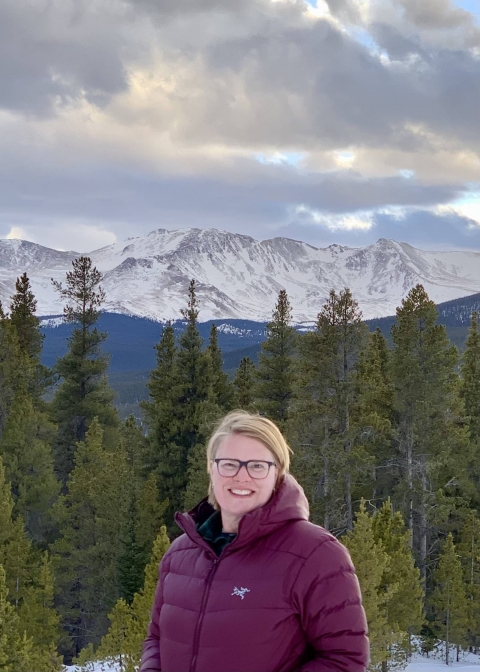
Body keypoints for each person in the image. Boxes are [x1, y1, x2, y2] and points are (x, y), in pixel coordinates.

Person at [141, 411, 369, 672]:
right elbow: (157, 639)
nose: (241, 476)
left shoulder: (315, 554)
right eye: (229, 463)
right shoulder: (180, 554)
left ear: (278, 474)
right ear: (211, 469)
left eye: (257, 466)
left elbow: (344, 660)